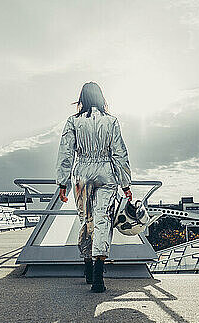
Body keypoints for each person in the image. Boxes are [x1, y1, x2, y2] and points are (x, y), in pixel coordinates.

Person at [56, 82, 132, 293]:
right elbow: (120, 154)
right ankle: (99, 276)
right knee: (102, 220)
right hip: (106, 172)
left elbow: (65, 154)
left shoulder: (73, 122)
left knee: (86, 220)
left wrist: (62, 182)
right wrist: (126, 184)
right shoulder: (111, 121)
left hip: (81, 173)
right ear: (101, 98)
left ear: (82, 98)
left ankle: (88, 267)